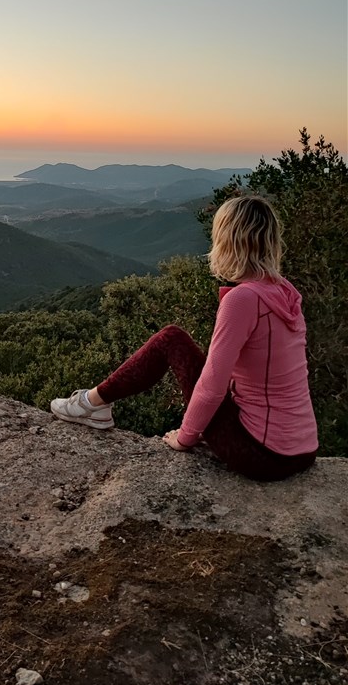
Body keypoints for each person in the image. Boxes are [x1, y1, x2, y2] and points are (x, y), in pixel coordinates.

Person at [50, 195, 319, 482]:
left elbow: (213, 385)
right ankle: (95, 404)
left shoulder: (244, 299)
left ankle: (91, 404)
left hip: (263, 454)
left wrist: (186, 436)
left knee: (171, 339)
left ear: (227, 240)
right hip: (303, 449)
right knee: (179, 343)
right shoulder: (284, 292)